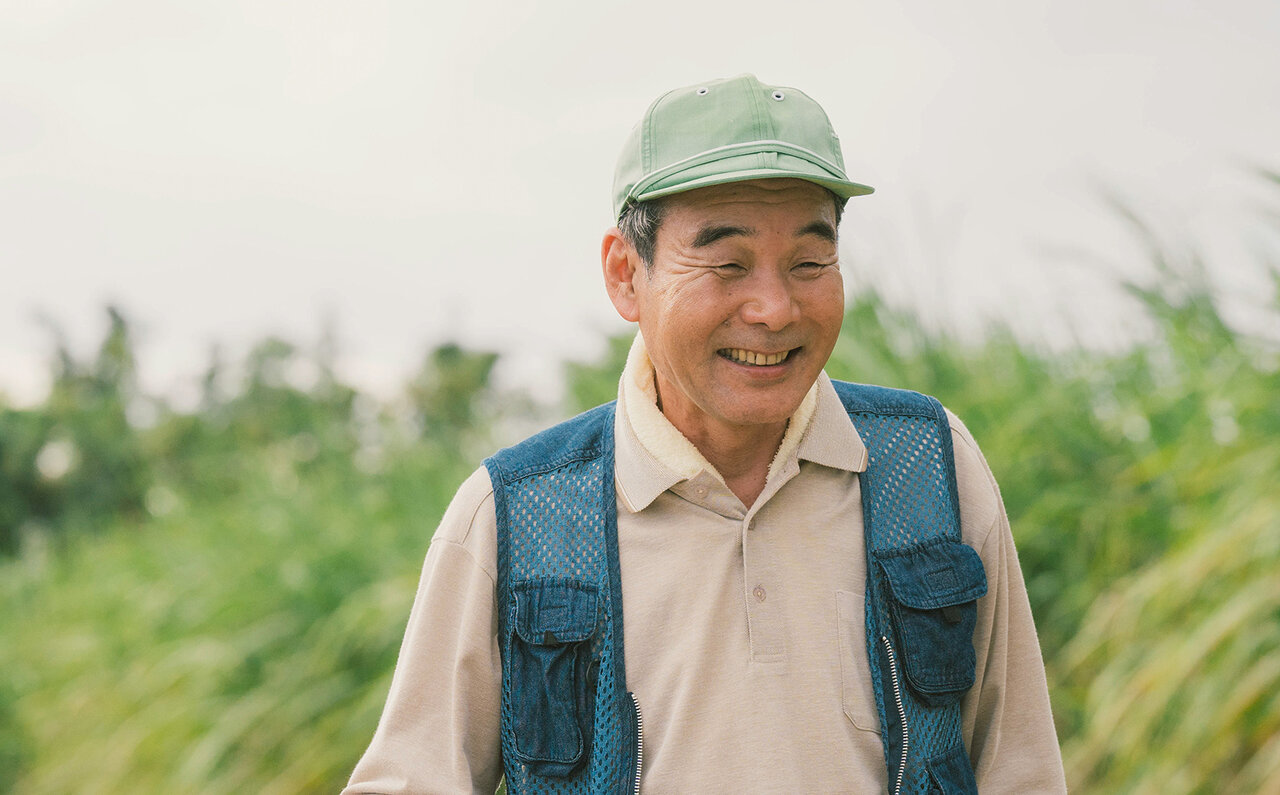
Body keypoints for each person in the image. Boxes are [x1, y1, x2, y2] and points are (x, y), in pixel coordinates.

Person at [343, 74, 1066, 794]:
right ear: (626, 275)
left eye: (809, 263)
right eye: (727, 264)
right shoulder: (515, 516)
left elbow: (1022, 770)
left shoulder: (931, 466)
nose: (775, 309)